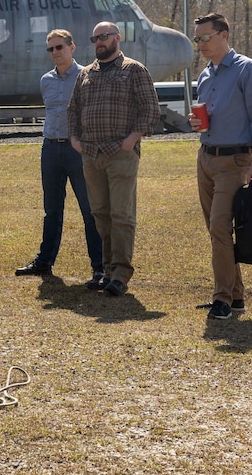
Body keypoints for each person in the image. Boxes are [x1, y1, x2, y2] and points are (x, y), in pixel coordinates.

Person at [189, 12, 252, 320]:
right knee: (217, 231)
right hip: (206, 157)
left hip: (235, 161)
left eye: (205, 37)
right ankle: (235, 296)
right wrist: (197, 122)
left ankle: (222, 297)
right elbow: (209, 115)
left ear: (224, 34)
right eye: (197, 39)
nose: (201, 44)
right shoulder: (206, 74)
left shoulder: (247, 69)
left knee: (220, 227)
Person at [67, 21, 159, 297]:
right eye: (95, 38)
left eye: (104, 36)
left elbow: (151, 109)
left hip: (121, 154)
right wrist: (74, 139)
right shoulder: (86, 73)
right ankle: (107, 271)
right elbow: (74, 111)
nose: (99, 42)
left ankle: (120, 273)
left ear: (117, 38)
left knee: (121, 214)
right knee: (101, 214)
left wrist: (133, 138)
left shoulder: (133, 70)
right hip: (91, 155)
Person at [15, 30, 104, 284]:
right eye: (51, 49)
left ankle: (99, 267)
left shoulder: (87, 76)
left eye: (59, 47)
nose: (55, 52)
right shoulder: (46, 80)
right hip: (50, 148)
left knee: (89, 209)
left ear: (72, 47)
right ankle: (44, 261)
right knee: (52, 208)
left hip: (77, 150)